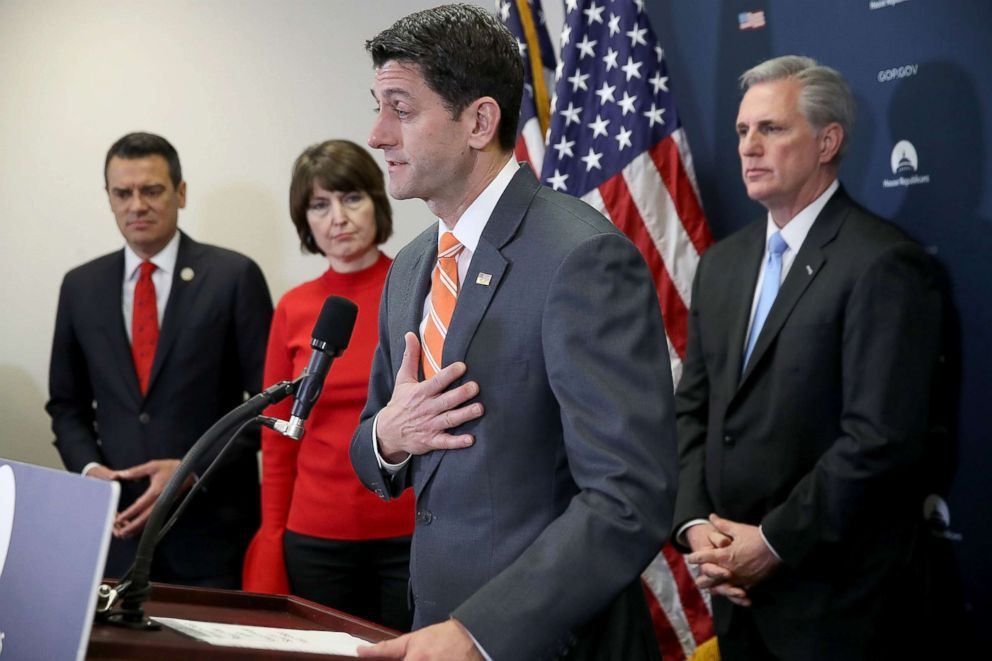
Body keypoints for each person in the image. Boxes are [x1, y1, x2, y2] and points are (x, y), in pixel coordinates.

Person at [349, 5, 678, 660]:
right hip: (434, 631)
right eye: (377, 106)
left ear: (478, 121)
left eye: (400, 108)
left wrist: (479, 632)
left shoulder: (580, 257)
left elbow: (627, 497)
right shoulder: (412, 264)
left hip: (547, 642)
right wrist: (389, 437)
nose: (377, 133)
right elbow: (371, 445)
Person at [672, 56, 942, 659]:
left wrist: (770, 543)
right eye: (743, 131)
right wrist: (697, 530)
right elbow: (691, 410)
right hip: (735, 600)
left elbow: (880, 439)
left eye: (771, 129)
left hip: (838, 607)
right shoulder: (721, 265)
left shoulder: (882, 262)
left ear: (828, 141)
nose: (749, 147)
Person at [47, 132, 272, 588]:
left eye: (151, 191)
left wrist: (190, 467)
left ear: (180, 193)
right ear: (108, 199)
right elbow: (66, 406)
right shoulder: (80, 287)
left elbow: (267, 405)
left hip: (212, 533)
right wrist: (92, 472)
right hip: (115, 531)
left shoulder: (234, 276)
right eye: (122, 193)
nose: (137, 205)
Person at [242, 139, 414, 631]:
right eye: (320, 205)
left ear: (378, 203)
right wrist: (272, 535)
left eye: (351, 197)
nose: (338, 217)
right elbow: (276, 443)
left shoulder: (415, 285)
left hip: (407, 530)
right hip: (315, 537)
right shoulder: (294, 308)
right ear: (306, 222)